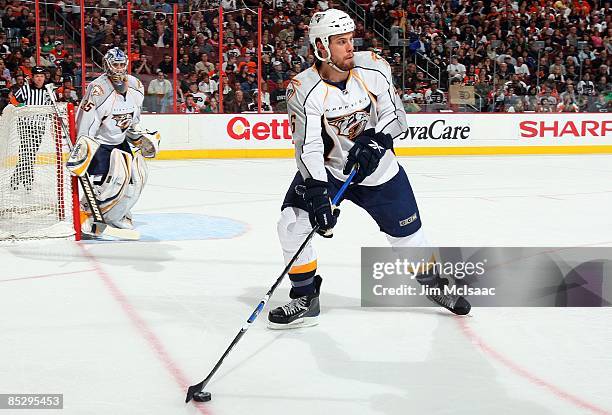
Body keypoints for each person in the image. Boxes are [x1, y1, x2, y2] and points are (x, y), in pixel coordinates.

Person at [267, 10, 470, 330]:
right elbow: (308, 146)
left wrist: (376, 140)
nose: (351, 47)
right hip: (333, 172)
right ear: (321, 46)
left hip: (381, 173)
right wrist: (318, 192)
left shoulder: (373, 66)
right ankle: (306, 297)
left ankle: (436, 286)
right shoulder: (302, 89)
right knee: (293, 224)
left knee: (409, 238)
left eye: (351, 39)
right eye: (341, 42)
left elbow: (397, 117)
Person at [74, 48, 159, 235]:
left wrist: (137, 136)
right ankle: (86, 214)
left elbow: (134, 118)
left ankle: (120, 213)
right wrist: (83, 145)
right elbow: (87, 120)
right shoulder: (98, 88)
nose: (119, 69)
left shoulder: (136, 85)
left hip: (120, 141)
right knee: (98, 185)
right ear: (107, 65)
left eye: (122, 64)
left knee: (131, 180)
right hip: (100, 142)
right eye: (116, 64)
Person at [9, 66, 53, 191]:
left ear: (45, 78)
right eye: (37, 76)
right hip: (25, 126)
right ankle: (27, 180)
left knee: (30, 154)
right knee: (26, 153)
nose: (39, 79)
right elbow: (13, 100)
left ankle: (16, 179)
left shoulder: (48, 91)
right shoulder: (26, 89)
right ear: (32, 78)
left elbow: (52, 106)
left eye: (42, 76)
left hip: (39, 127)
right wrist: (23, 107)